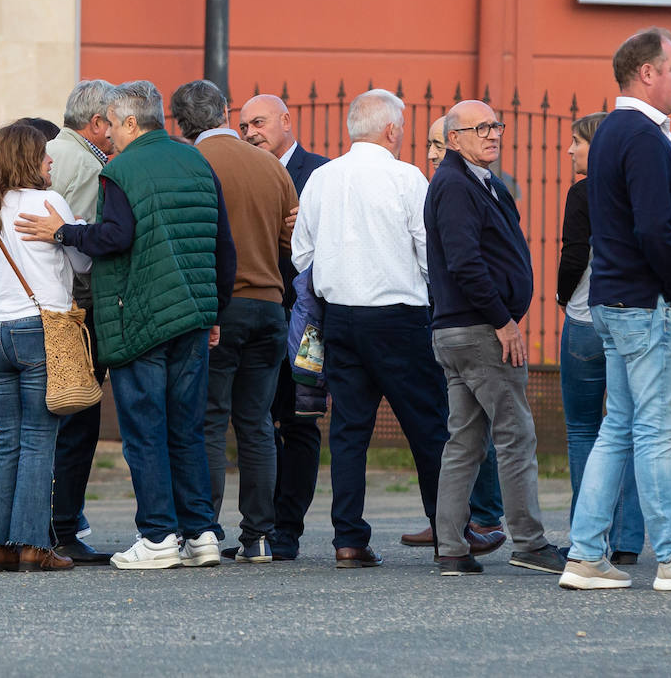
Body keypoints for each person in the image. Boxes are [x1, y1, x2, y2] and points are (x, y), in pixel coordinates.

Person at [16, 80, 237, 570]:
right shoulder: (197, 161)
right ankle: (201, 534)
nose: (109, 136)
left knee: (145, 430)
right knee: (187, 427)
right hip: (195, 315)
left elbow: (116, 235)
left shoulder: (121, 169)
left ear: (132, 123)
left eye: (113, 125)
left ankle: (157, 536)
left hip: (139, 315)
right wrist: (216, 310)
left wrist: (64, 232)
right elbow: (224, 244)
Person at [294, 90, 491, 568]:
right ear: (391, 131)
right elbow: (430, 250)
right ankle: (450, 536)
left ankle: (349, 539)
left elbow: (302, 253)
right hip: (400, 317)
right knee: (428, 427)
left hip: (339, 316)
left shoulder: (321, 178)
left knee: (348, 431)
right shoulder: (407, 178)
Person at [561, 27, 671, 592]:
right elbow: (655, 224)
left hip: (615, 298)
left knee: (619, 428)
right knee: (655, 431)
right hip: (647, 302)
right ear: (646, 73)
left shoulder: (611, 133)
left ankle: (585, 554)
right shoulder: (643, 135)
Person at [426, 98, 565, 577]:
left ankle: (450, 547)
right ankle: (529, 541)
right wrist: (503, 321)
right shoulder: (456, 185)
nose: (493, 134)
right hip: (481, 331)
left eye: (496, 125)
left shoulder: (479, 183)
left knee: (464, 441)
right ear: (455, 138)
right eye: (480, 127)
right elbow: (465, 262)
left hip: (462, 329)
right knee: (515, 435)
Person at [174, 80, 299, 564]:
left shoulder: (193, 165)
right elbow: (294, 244)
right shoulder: (271, 166)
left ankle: (203, 531)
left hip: (219, 306)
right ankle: (259, 536)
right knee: (257, 424)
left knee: (208, 421)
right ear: (226, 113)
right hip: (270, 306)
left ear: (181, 125)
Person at [0, 121, 94, 573]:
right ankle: (33, 545)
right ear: (27, 159)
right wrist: (72, 229)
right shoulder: (48, 202)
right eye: (44, 154)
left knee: (7, 441)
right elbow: (83, 260)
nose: (51, 160)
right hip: (40, 328)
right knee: (40, 441)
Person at [400, 115, 505, 549]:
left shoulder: (472, 186)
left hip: (465, 319)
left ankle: (482, 516)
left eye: (436, 143)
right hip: (444, 316)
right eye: (427, 144)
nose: (429, 153)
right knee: (460, 422)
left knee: (481, 423)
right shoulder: (445, 185)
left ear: (456, 141)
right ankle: (455, 520)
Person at [239, 92, 329, 560]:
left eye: (258, 122)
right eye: (244, 127)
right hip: (256, 314)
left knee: (299, 423)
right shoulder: (239, 172)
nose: (251, 132)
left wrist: (310, 229)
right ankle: (257, 525)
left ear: (286, 121)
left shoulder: (320, 173)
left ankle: (285, 529)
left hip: (306, 321)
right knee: (255, 422)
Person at [556, 111, 644, 565]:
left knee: (583, 430)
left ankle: (586, 535)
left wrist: (560, 295)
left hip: (585, 320)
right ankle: (628, 538)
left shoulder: (583, 191)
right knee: (627, 426)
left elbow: (574, 255)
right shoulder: (635, 186)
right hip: (632, 316)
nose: (570, 150)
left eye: (577, 141)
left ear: (598, 145)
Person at [45, 79, 117, 564]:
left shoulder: (47, 150)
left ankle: (41, 524)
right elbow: (79, 243)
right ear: (96, 123)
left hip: (40, 308)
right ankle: (63, 527)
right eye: (112, 122)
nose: (116, 132)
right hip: (75, 309)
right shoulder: (85, 162)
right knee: (78, 419)